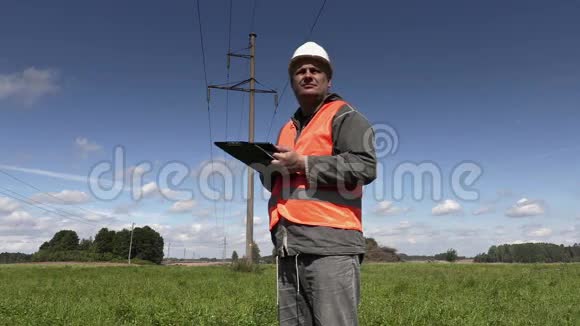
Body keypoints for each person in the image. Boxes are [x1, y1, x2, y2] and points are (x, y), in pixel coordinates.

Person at [260, 41, 377, 326]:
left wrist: (304, 163)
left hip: (330, 248)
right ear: (292, 82)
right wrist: (268, 171)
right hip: (289, 250)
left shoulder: (345, 116)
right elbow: (281, 185)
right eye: (301, 71)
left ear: (328, 79)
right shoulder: (286, 128)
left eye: (315, 70)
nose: (308, 75)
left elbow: (365, 166)